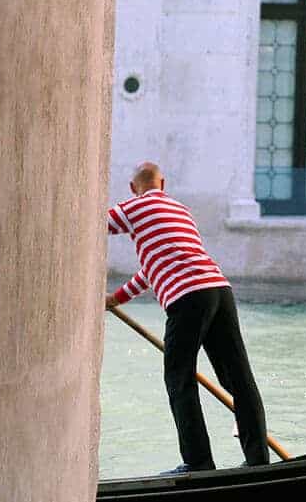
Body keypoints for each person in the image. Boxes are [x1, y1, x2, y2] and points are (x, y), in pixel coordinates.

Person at [106, 162, 270, 474]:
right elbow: (152, 270)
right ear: (163, 184)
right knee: (239, 378)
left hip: (188, 297)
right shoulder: (181, 211)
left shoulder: (135, 206)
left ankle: (199, 463)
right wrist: (117, 298)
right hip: (219, 290)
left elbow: (94, 223)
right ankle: (258, 461)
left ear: (132, 188)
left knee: (179, 377)